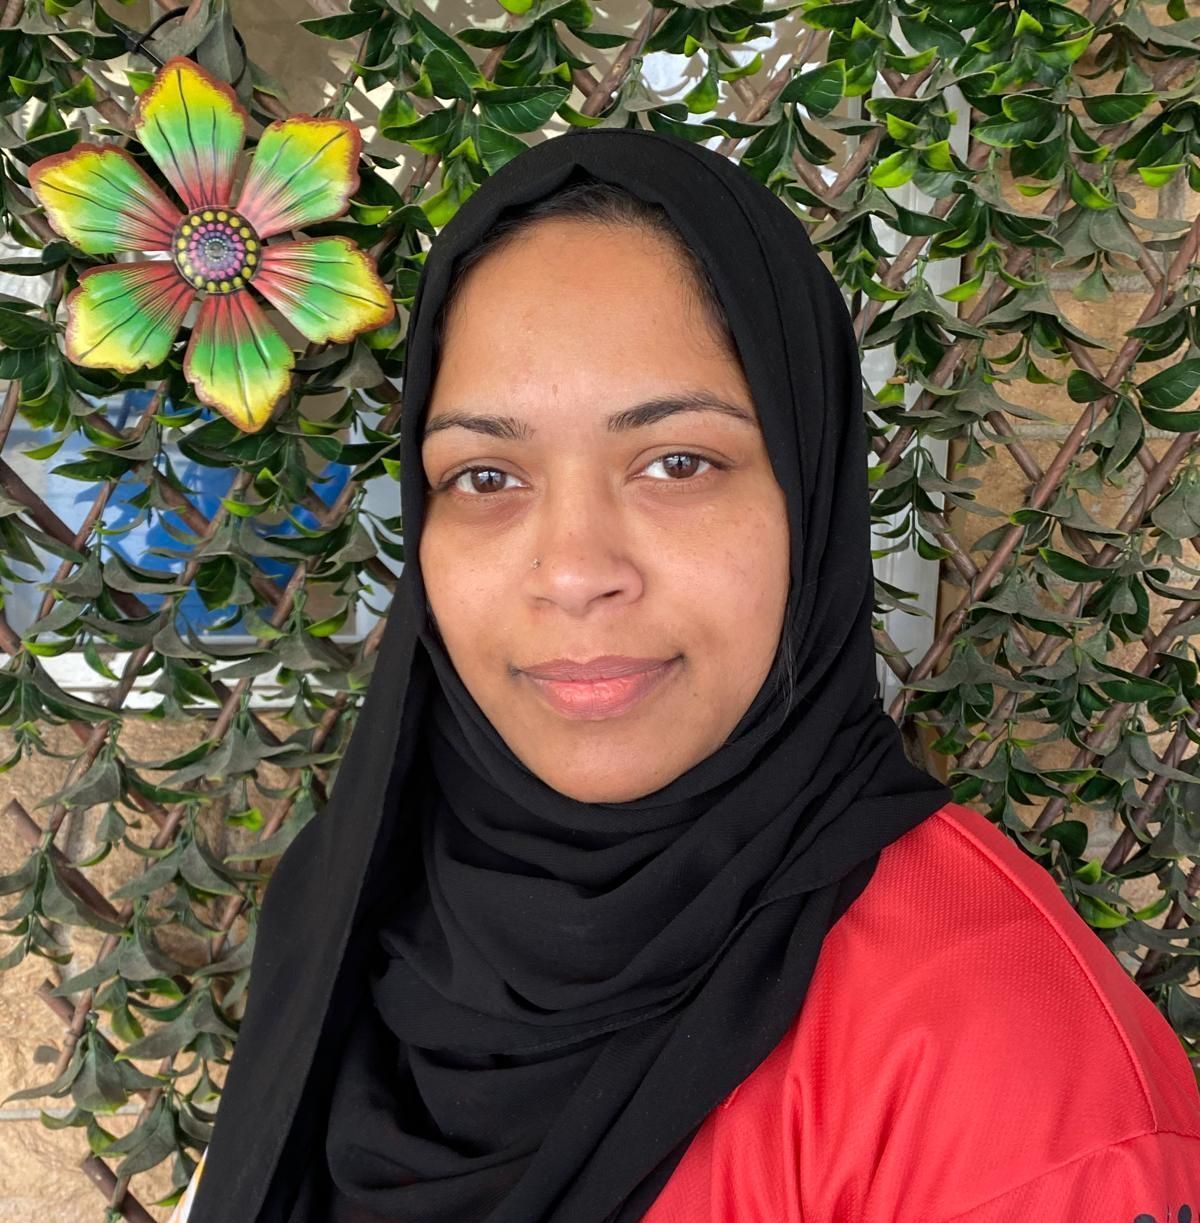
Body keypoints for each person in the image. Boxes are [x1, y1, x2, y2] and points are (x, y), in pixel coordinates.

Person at [168, 128, 1200, 1223]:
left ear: (810, 499)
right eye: (484, 475)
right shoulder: (356, 905)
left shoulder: (1016, 1081)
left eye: (678, 462)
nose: (573, 572)